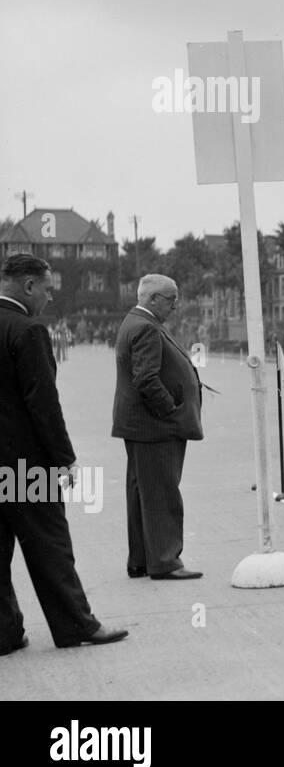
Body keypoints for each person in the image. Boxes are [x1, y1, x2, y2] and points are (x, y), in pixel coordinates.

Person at [0, 254, 128, 653]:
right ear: (29, 286)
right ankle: (75, 625)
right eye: (49, 289)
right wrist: (65, 459)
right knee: (50, 546)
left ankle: (4, 633)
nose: (51, 298)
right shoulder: (28, 329)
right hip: (25, 466)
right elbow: (43, 403)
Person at [111, 273, 204, 580]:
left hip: (140, 427)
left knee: (142, 494)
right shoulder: (146, 328)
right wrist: (172, 410)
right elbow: (147, 379)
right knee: (162, 494)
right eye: (171, 299)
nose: (176, 305)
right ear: (152, 299)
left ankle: (141, 559)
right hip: (154, 429)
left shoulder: (136, 322)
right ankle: (165, 561)